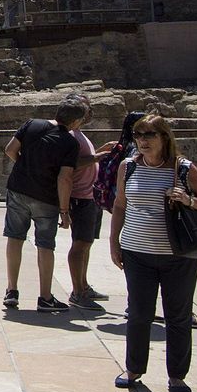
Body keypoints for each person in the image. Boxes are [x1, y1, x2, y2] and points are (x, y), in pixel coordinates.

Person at [109, 114, 197, 392]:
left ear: (164, 138)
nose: (142, 141)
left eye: (149, 135)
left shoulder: (183, 168)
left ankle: (177, 376)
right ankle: (133, 369)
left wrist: (189, 200)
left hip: (178, 255)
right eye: (138, 135)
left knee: (178, 316)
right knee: (138, 314)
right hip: (137, 252)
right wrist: (114, 241)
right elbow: (120, 205)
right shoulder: (128, 167)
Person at [3, 98, 84, 312]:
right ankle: (45, 297)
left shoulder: (32, 124)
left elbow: (10, 149)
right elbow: (64, 178)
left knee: (14, 237)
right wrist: (65, 211)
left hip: (18, 189)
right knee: (45, 244)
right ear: (76, 122)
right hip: (46, 197)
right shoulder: (70, 143)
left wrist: (25, 167)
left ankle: (12, 290)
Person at [63, 95, 120, 312]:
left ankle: (83, 286)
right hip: (80, 197)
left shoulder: (79, 134)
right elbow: (69, 165)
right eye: (87, 108)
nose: (90, 112)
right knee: (79, 244)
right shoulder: (70, 136)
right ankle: (78, 292)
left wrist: (100, 152)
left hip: (90, 196)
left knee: (86, 244)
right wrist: (96, 158)